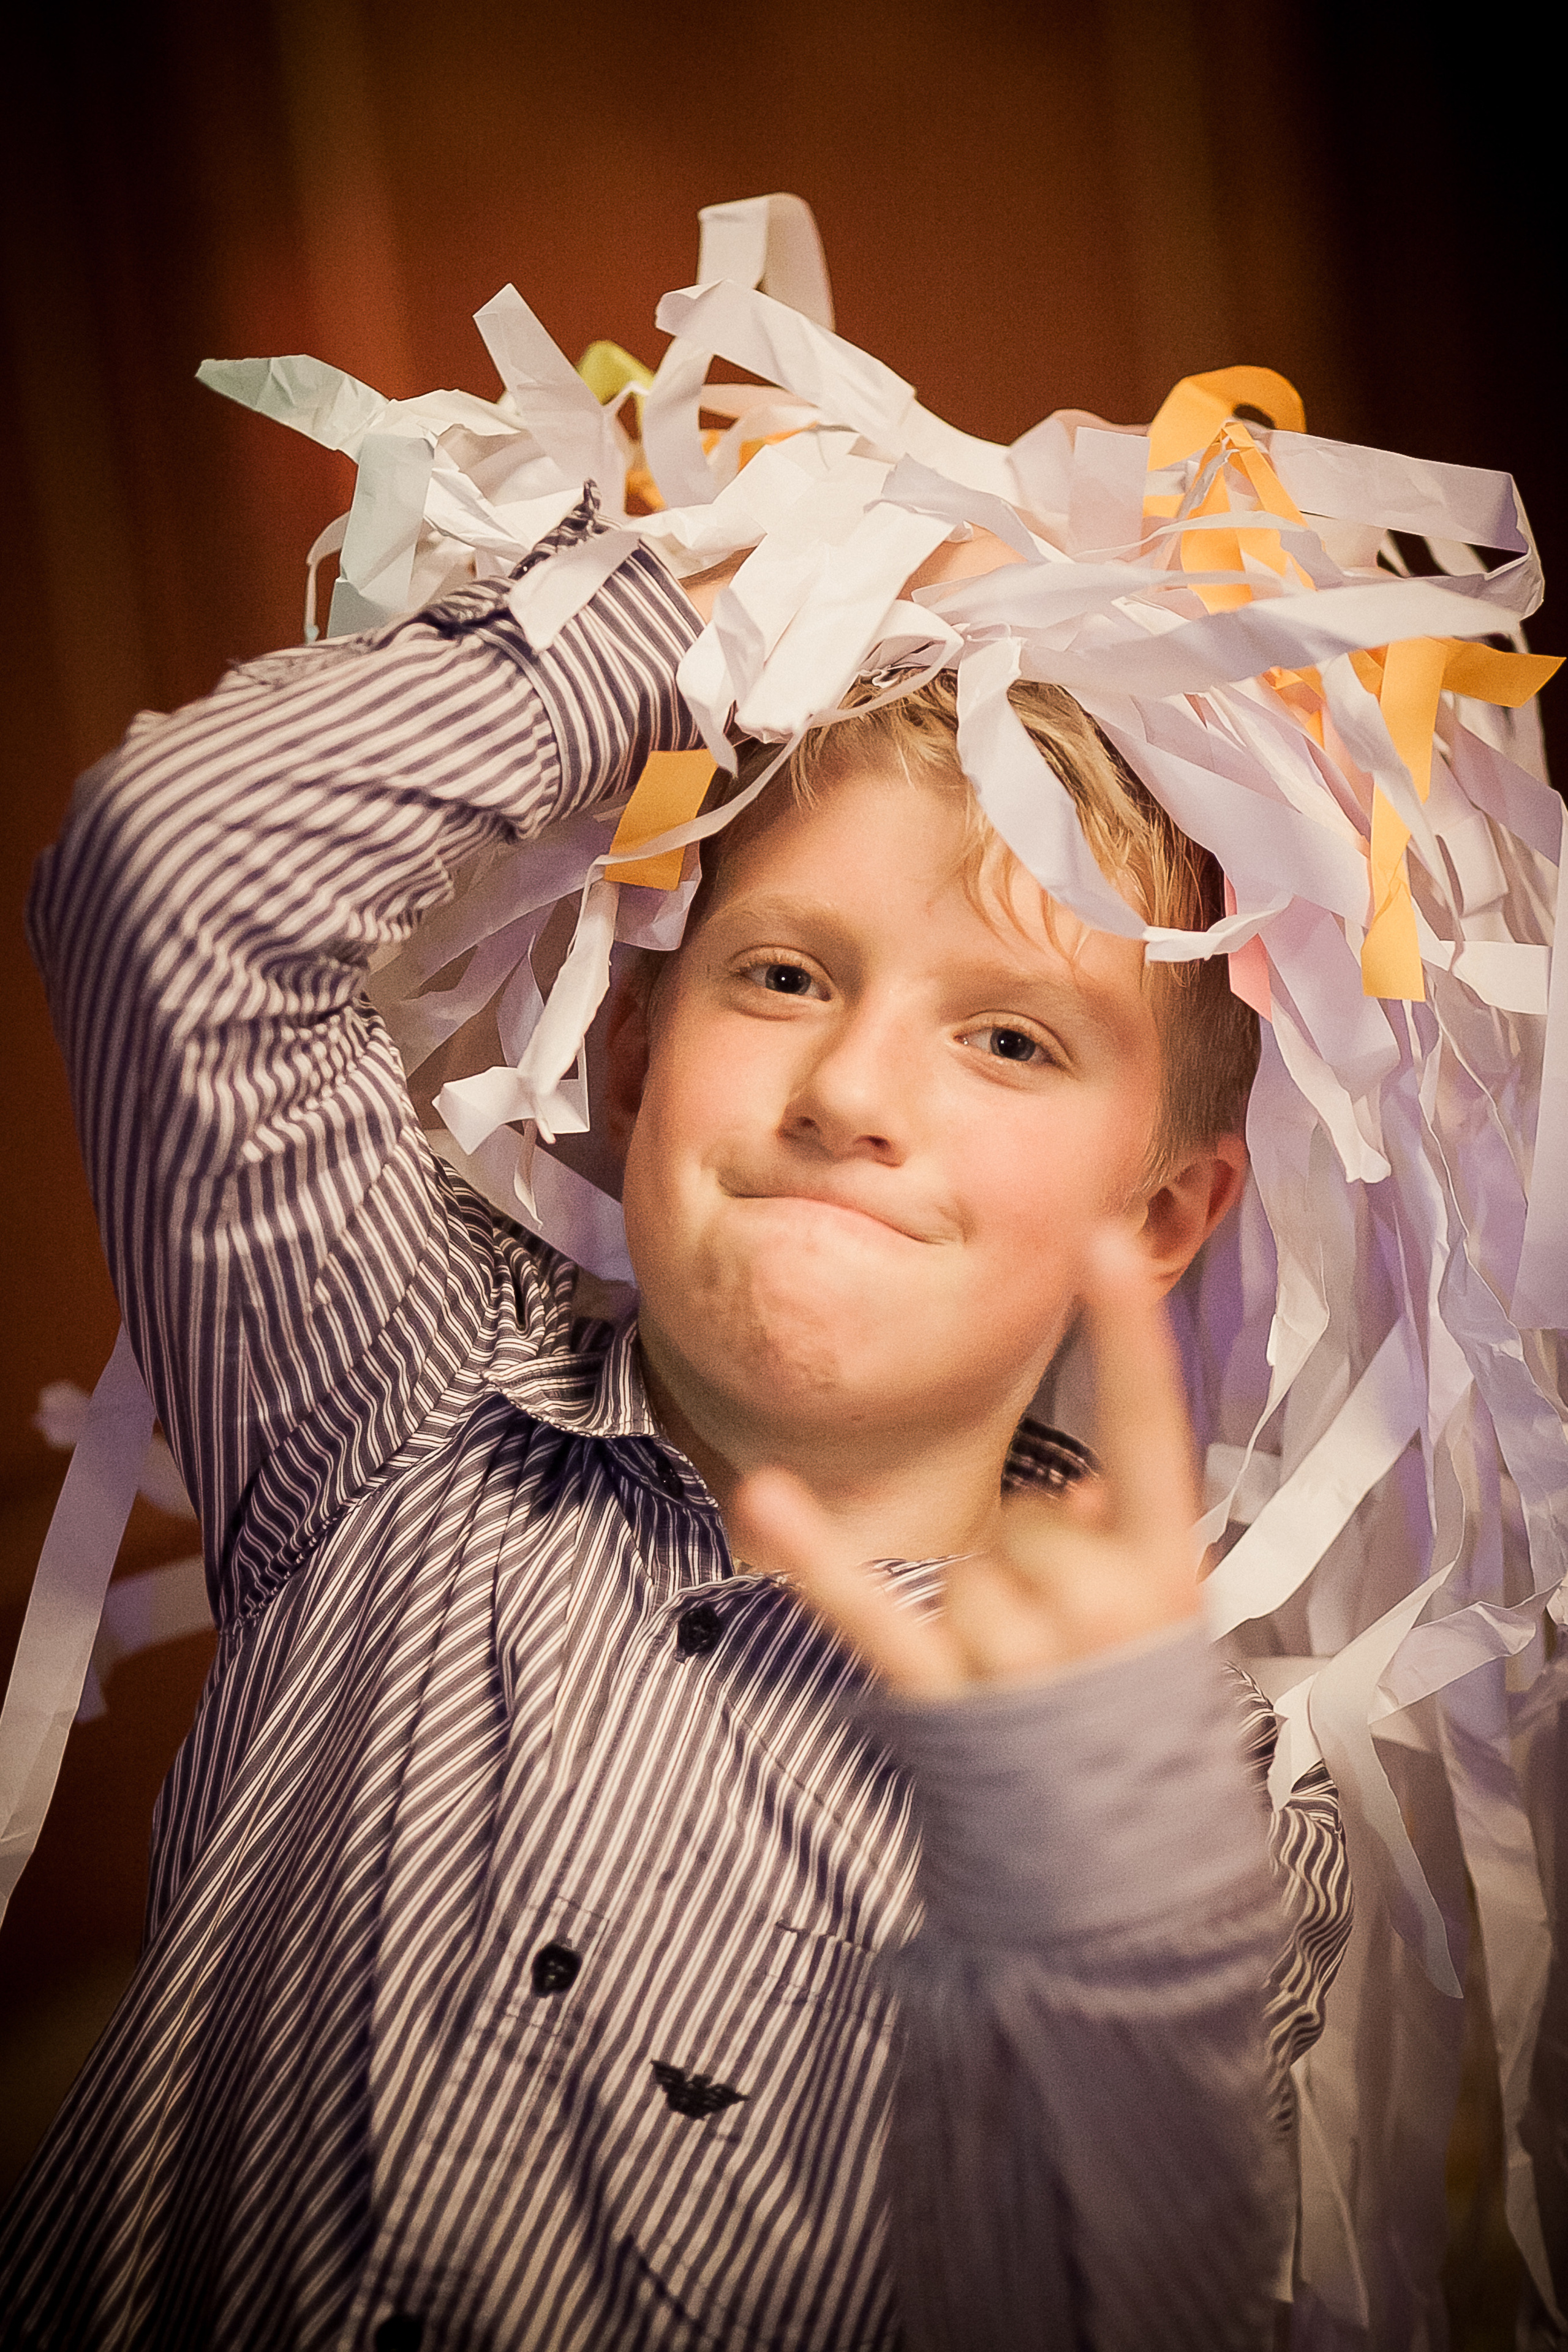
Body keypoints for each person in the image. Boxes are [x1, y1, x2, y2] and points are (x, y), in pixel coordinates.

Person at [0, 499, 1347, 2350]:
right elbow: (172, 865)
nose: (855, 1088)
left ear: (1159, 1215)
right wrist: (737, 596)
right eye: (785, 975)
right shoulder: (393, 1391)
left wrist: (1105, 1893)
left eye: (1012, 1040)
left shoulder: (1210, 1799)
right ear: (633, 1063)